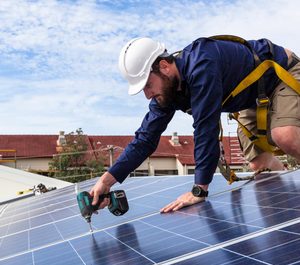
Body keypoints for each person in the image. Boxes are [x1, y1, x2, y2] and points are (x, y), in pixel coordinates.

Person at [90, 36, 300, 213]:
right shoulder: (166, 93)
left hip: (282, 73)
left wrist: (199, 189)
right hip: (252, 97)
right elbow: (145, 139)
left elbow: (205, 128)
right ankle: (289, 214)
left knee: (285, 136)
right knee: (259, 163)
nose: (147, 95)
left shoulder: (201, 64)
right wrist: (107, 181)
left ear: (164, 67)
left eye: (147, 85)